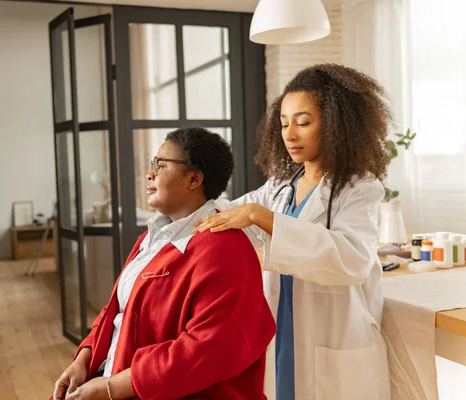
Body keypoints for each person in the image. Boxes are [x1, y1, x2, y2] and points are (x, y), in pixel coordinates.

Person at [197, 63, 392, 400]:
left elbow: (352, 260)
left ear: (334, 125)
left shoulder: (361, 188)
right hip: (282, 331)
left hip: (334, 339)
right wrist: (186, 200)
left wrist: (262, 217)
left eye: (303, 122)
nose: (290, 134)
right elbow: (228, 213)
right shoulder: (279, 187)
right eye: (284, 124)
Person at [52, 127, 275, 400]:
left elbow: (210, 348)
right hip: (108, 378)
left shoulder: (224, 249)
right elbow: (119, 309)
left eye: (162, 165)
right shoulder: (152, 236)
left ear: (194, 178)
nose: (150, 173)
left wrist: (114, 387)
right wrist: (84, 358)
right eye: (152, 164)